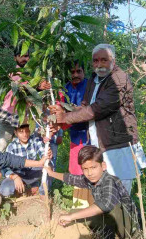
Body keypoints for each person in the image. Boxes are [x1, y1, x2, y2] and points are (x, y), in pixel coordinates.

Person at [49, 44, 146, 194]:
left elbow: (98, 108)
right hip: (101, 143)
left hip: (119, 144)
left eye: (104, 60)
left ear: (112, 60)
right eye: (96, 61)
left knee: (121, 191)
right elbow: (85, 107)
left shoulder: (119, 78)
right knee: (105, 190)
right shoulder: (94, 79)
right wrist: (63, 115)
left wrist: (66, 117)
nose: (99, 64)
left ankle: (125, 217)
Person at [44, 145, 142, 239]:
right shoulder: (92, 179)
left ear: (103, 166)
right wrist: (52, 173)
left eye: (93, 167)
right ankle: (105, 234)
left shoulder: (110, 181)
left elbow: (105, 204)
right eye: (85, 169)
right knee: (74, 211)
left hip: (128, 226)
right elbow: (71, 178)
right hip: (110, 220)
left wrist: (72, 217)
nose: (90, 173)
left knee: (109, 209)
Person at [0, 49, 52, 153]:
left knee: (18, 151)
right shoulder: (14, 72)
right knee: (0, 148)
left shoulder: (31, 75)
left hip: (22, 120)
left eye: (26, 56)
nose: (24, 58)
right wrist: (38, 87)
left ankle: (10, 169)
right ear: (15, 58)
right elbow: (20, 89)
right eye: (21, 56)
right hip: (9, 116)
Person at [63, 60, 93, 208]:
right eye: (72, 72)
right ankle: (80, 205)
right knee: (77, 168)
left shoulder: (89, 86)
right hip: (75, 135)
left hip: (90, 134)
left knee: (91, 167)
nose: (75, 75)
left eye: (78, 71)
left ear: (84, 72)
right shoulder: (65, 88)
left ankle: (93, 204)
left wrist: (74, 111)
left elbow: (88, 110)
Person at [0, 123, 53, 197]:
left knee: (48, 166)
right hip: (18, 173)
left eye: (27, 131)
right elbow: (5, 167)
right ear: (15, 132)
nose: (25, 135)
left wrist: (47, 154)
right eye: (21, 132)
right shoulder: (11, 147)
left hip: (32, 172)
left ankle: (41, 190)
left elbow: (43, 154)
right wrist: (15, 177)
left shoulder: (35, 141)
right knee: (5, 191)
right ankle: (22, 184)